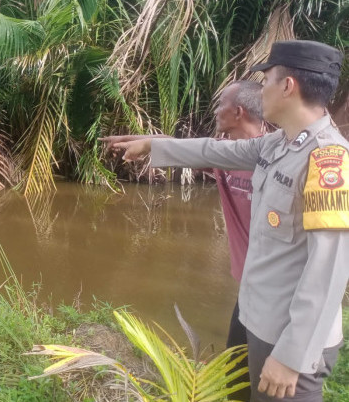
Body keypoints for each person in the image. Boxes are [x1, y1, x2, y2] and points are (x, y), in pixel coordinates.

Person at [101, 40, 348, 401]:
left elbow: (328, 270)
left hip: (288, 337)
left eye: (266, 81)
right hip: (255, 316)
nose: (260, 90)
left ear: (288, 86)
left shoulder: (329, 162)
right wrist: (153, 145)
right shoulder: (278, 144)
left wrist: (293, 357)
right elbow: (216, 150)